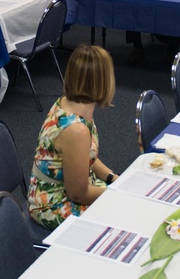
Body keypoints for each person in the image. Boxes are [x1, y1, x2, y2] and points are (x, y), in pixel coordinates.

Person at [27, 44, 119, 230]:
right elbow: (78, 194)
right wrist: (117, 194)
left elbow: (86, 158)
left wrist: (112, 178)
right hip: (54, 204)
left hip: (67, 188)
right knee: (123, 216)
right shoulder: (76, 129)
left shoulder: (69, 103)